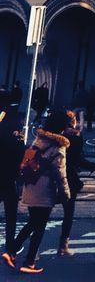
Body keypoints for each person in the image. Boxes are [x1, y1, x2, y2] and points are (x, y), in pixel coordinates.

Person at [6, 108, 70, 274]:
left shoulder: (38, 140)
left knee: (33, 222)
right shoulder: (58, 146)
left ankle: (12, 250)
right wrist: (66, 194)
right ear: (62, 127)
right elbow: (60, 173)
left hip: (31, 185)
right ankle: (29, 262)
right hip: (45, 188)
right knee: (39, 225)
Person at [58, 110, 95, 256]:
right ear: (73, 121)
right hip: (69, 177)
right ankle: (63, 246)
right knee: (68, 212)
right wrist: (92, 166)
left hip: (53, 175)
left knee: (42, 214)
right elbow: (77, 159)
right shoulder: (76, 137)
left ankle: (31, 250)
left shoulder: (55, 134)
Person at [0, 114, 25, 262]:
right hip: (10, 181)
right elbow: (21, 159)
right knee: (11, 216)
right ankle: (10, 247)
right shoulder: (17, 142)